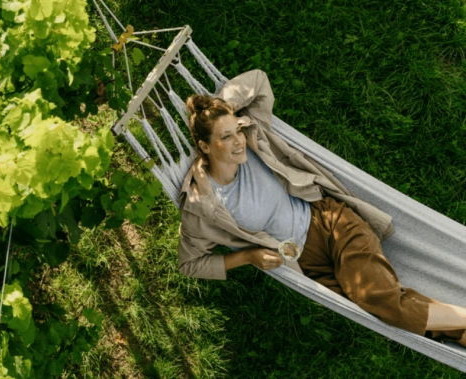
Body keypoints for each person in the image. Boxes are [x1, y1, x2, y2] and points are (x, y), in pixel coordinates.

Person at [178, 69, 466, 346]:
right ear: (204, 146)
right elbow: (190, 265)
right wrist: (249, 257)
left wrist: (222, 110)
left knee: (377, 299)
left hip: (330, 222)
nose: (238, 141)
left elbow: (258, 81)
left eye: (236, 131)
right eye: (225, 137)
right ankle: (459, 333)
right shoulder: (201, 204)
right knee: (383, 312)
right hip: (305, 264)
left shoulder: (254, 140)